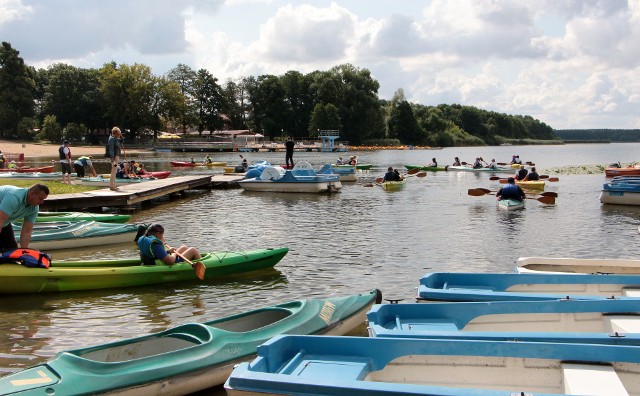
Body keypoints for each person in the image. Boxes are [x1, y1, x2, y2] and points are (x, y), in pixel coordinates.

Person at [0, 183, 50, 250]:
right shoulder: (14, 198)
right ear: (32, 193)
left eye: (44, 199)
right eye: (40, 198)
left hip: (4, 223)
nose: (42, 202)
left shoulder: (34, 208)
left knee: (13, 251)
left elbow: (26, 231)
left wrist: (25, 251)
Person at [137, 223, 201, 266]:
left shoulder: (146, 240)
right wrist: (174, 253)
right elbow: (170, 261)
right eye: (162, 234)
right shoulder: (156, 244)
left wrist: (168, 251)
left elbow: (156, 254)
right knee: (193, 250)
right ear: (158, 234)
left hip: (154, 261)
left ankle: (194, 262)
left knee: (184, 248)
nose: (163, 236)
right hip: (165, 265)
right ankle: (203, 264)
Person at [108, 127, 123, 191]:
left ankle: (114, 185)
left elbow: (121, 141)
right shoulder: (112, 139)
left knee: (115, 171)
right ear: (116, 133)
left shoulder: (116, 139)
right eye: (118, 133)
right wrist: (112, 158)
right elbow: (111, 149)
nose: (119, 134)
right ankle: (112, 186)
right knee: (114, 171)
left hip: (117, 156)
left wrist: (121, 137)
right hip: (114, 157)